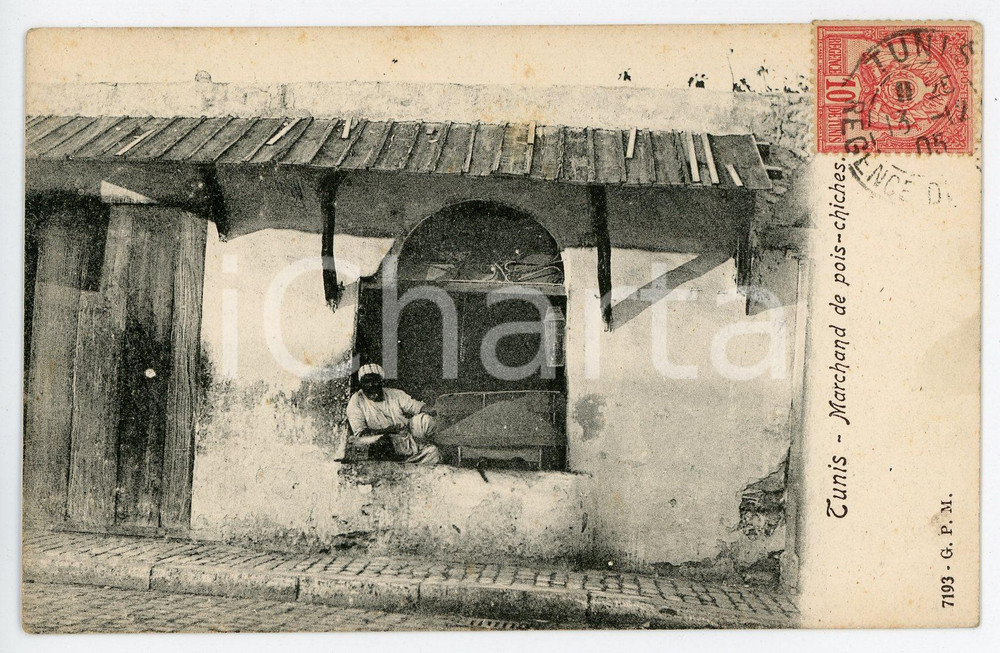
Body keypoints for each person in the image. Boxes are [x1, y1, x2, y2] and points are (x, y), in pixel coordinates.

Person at [346, 363, 442, 465]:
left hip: (405, 436)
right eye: (367, 381)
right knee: (377, 443)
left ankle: (417, 458)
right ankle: (403, 462)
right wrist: (388, 431)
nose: (371, 385)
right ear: (361, 383)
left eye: (375, 381)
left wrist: (436, 410)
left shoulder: (394, 394)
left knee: (425, 422)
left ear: (381, 382)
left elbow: (416, 406)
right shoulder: (356, 400)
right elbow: (361, 433)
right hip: (381, 441)